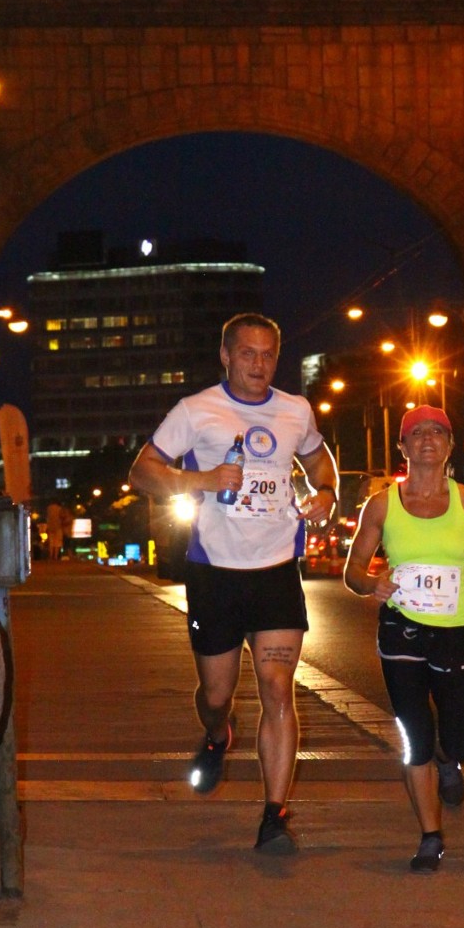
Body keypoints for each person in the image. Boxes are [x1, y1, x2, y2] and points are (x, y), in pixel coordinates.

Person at [129, 312, 338, 853]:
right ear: (226, 356)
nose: (259, 365)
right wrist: (199, 479)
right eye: (247, 353)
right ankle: (218, 733)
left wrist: (327, 495)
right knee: (217, 695)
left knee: (276, 689)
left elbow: (319, 459)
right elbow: (142, 471)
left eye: (268, 354)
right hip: (215, 573)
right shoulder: (196, 411)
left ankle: (275, 815)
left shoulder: (295, 410)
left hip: (274, 571)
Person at [344, 405, 464, 873]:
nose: (426, 439)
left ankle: (449, 757)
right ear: (403, 447)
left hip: (454, 632)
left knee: (459, 734)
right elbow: (352, 571)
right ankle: (430, 836)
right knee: (414, 735)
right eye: (416, 433)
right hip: (401, 631)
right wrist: (371, 583)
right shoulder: (382, 505)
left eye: (437, 432)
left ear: (449, 445)